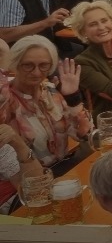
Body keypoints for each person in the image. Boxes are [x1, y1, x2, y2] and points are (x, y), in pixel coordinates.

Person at [1, 36, 89, 171]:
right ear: (15, 64)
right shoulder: (6, 100)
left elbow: (80, 133)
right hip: (27, 180)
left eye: (43, 65)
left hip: (63, 167)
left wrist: (73, 98)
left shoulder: (50, 90)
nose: (36, 72)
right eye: (28, 65)